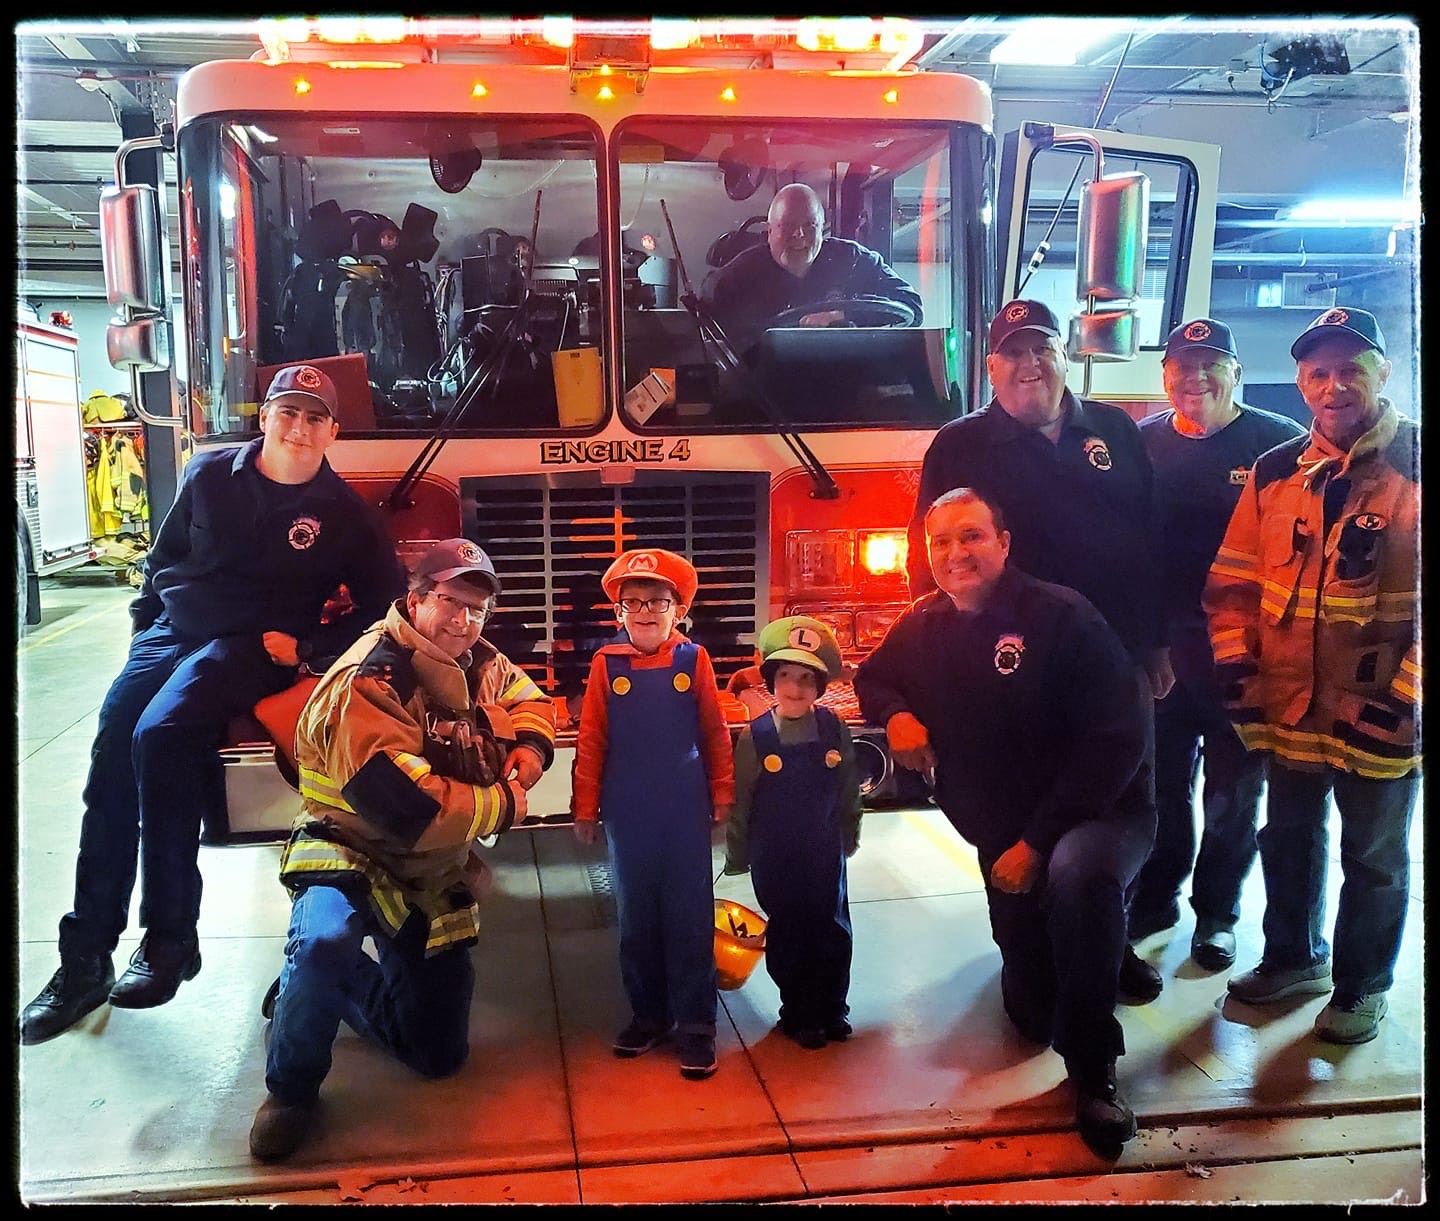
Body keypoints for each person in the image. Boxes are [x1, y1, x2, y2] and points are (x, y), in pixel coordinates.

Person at [20, 364, 405, 1046]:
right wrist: (144, 631)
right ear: (266, 417)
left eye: (315, 417)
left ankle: (170, 942)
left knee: (160, 735)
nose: (299, 427)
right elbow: (161, 562)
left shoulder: (344, 515)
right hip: (171, 636)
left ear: (334, 432)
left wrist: (309, 647)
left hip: (248, 647)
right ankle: (84, 961)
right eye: (288, 412)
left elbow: (387, 609)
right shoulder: (207, 475)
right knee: (109, 767)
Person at [856, 487, 1155, 1155]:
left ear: (1004, 543)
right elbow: (873, 677)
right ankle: (1094, 956)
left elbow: (1116, 742)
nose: (956, 553)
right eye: (941, 542)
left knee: (1079, 878)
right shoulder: (925, 623)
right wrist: (895, 714)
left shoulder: (1064, 618)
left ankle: (1095, 1075)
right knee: (1032, 1015)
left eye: (972, 536)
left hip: (1097, 811)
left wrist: (1037, 842)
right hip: (1004, 830)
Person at [249, 538, 556, 1161]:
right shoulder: (372, 676)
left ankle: (322, 991)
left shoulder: (478, 658)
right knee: (324, 942)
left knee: (438, 1056)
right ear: (415, 601)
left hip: (429, 868)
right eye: (450, 601)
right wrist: (506, 803)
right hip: (349, 849)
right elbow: (405, 808)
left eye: (477, 609)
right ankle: (290, 1089)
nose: (464, 620)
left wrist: (529, 750)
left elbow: (530, 700)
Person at [906, 297, 1170, 1002]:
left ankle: (1109, 942)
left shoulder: (1115, 430)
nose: (1029, 364)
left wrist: (1154, 645)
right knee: (1009, 811)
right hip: (1009, 672)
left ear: (1064, 355)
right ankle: (1023, 951)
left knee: (1114, 806)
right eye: (1012, 353)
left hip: (1112, 667)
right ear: (990, 368)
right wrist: (939, 672)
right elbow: (926, 561)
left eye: (1041, 348)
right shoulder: (958, 446)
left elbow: (1149, 543)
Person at [1205, 307, 1419, 1045]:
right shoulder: (1275, 472)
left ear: (1382, 372)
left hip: (1382, 711)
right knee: (1288, 837)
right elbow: (1232, 585)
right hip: (1291, 706)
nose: (1335, 386)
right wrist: (1240, 675)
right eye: (1318, 373)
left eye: (1350, 369)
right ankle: (1294, 959)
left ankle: (1362, 987)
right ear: (1300, 383)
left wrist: (1408, 700)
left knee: (1374, 858)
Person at [1128, 319, 1305, 968]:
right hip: (1163, 655)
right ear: (1165, 376)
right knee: (1161, 790)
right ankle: (1157, 899)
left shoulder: (1279, 444)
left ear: (1236, 372)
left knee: (1233, 795)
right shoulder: (1139, 443)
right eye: (1183, 365)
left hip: (1244, 657)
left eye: (1211, 364)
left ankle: (1218, 913)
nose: (1196, 377)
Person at [571, 548, 735, 1080]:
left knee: (689, 915)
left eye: (657, 601)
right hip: (628, 810)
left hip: (684, 808)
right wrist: (585, 806)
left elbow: (714, 731)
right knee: (636, 916)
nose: (645, 611)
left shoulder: (694, 660)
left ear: (678, 610)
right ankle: (649, 1015)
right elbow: (592, 739)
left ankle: (697, 1024)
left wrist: (722, 793)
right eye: (633, 602)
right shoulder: (606, 665)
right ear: (618, 612)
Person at [724, 616, 862, 1050]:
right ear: (771, 681)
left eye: (806, 679)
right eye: (785, 676)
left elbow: (848, 787)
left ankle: (833, 1007)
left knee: (831, 926)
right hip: (774, 856)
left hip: (824, 850)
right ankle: (798, 1010)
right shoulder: (756, 737)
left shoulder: (833, 728)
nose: (796, 688)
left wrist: (850, 832)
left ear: (820, 686)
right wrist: (737, 855)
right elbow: (741, 801)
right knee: (789, 929)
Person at [701, 182, 922, 350]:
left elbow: (911, 307)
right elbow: (702, 320)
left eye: (810, 225)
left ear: (822, 228)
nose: (799, 235)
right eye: (788, 225)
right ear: (769, 231)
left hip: (850, 382)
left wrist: (842, 315)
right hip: (765, 389)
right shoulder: (740, 275)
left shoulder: (855, 260)